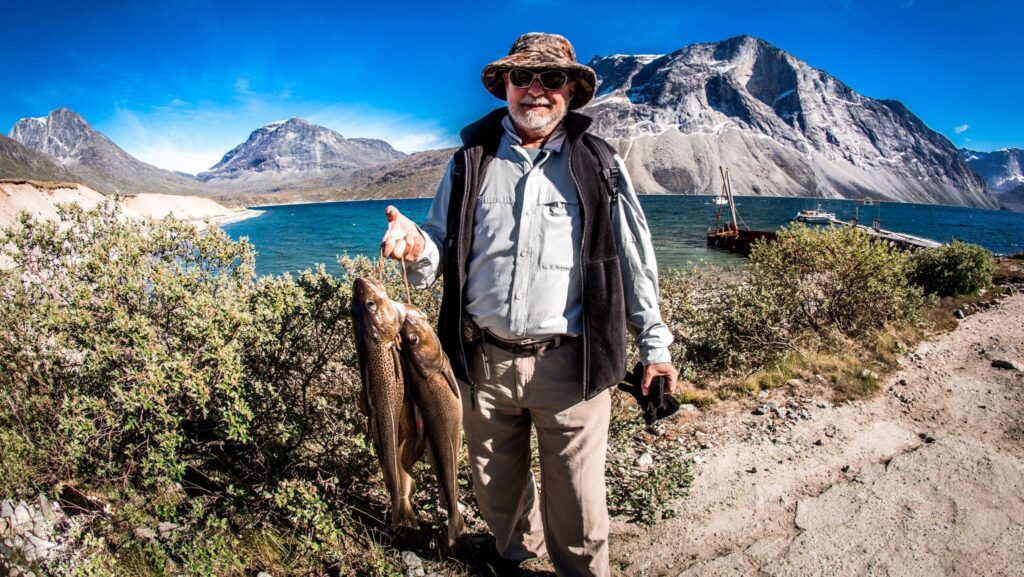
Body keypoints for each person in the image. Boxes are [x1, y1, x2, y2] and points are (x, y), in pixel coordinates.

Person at [380, 32, 676, 577]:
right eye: (524, 78)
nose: (535, 90)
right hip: (482, 365)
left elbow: (634, 260)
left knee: (580, 514)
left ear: (571, 91)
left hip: (572, 367)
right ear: (506, 88)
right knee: (498, 502)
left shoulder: (599, 163)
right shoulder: (470, 162)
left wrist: (654, 346)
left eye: (551, 79)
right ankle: (519, 561)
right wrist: (417, 244)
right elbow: (439, 245)